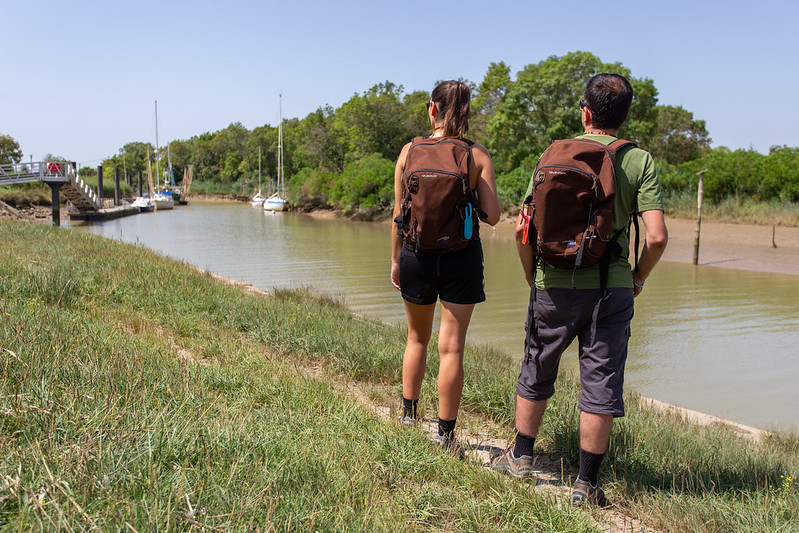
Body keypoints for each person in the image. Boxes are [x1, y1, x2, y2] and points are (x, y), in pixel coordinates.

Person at [490, 73, 668, 505]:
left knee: (537, 366)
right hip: (612, 289)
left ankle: (521, 458)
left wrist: (534, 278)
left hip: (553, 283)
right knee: (601, 380)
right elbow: (658, 237)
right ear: (624, 117)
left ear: (585, 112)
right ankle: (586, 485)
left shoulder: (553, 154)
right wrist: (637, 276)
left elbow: (521, 231)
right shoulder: (639, 161)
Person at [391, 80, 501, 453]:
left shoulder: (409, 152)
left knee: (416, 338)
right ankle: (446, 435)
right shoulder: (476, 155)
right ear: (467, 112)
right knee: (451, 348)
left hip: (415, 256)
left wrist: (395, 261)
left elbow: (398, 215)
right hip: (461, 259)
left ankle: (407, 417)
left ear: (432, 108)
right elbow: (494, 217)